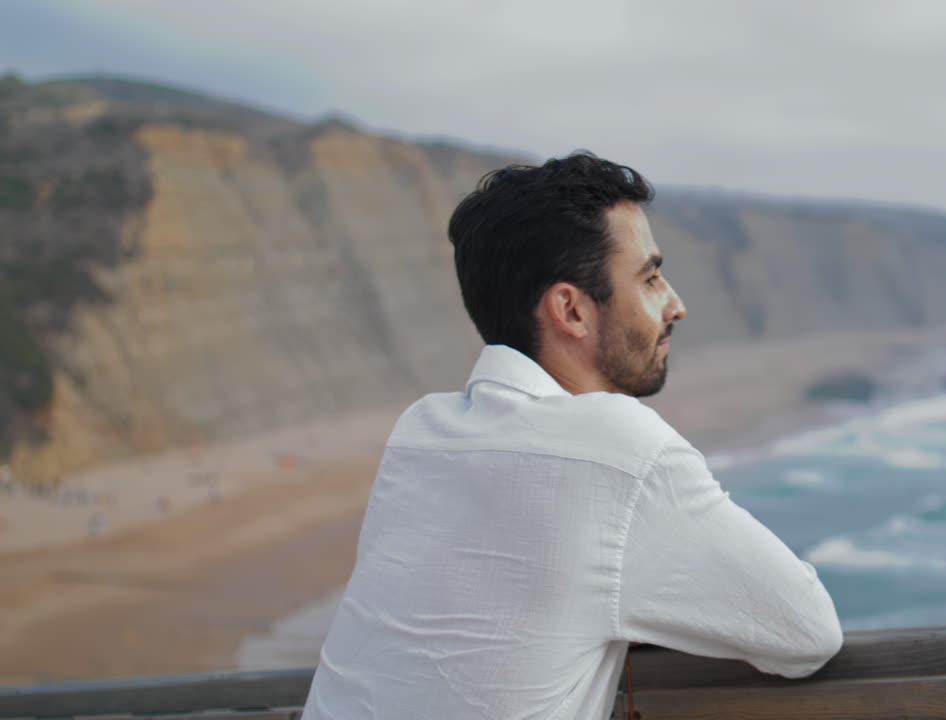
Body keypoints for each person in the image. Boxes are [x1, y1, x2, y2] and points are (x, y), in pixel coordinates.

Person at [302, 152, 842, 720]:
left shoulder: (421, 433)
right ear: (571, 310)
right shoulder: (620, 449)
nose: (675, 305)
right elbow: (806, 633)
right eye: (651, 278)